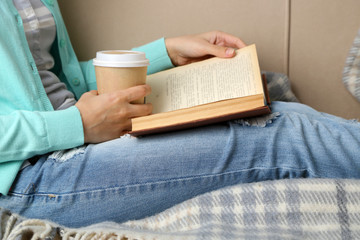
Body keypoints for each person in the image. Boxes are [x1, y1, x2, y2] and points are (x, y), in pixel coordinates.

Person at [0, 0, 360, 228]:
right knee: (285, 135)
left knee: (277, 107)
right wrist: (75, 124)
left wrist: (165, 54)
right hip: (33, 176)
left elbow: (53, 82)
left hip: (73, 137)